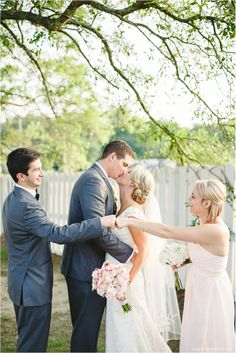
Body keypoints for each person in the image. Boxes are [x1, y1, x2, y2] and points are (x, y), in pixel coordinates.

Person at [2, 147, 116, 353]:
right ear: (20, 176)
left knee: (28, 342)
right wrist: (99, 223)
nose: (42, 173)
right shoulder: (27, 206)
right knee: (32, 346)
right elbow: (58, 234)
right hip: (32, 287)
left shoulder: (12, 199)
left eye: (41, 168)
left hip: (20, 283)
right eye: (36, 170)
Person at [117, 179, 235, 353]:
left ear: (207, 203)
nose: (189, 199)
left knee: (206, 335)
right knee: (197, 332)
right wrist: (184, 259)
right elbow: (209, 255)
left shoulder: (215, 230)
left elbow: (168, 231)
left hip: (210, 292)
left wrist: (132, 222)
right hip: (199, 286)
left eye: (194, 196)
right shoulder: (205, 224)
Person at [61, 140, 136, 352]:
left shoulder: (100, 180)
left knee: (87, 331)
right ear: (112, 156)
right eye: (124, 164)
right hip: (84, 268)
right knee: (85, 334)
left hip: (90, 267)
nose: (125, 171)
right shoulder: (93, 181)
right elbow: (96, 229)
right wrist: (129, 254)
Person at [106, 164, 181, 352]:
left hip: (126, 279)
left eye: (128, 171)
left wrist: (127, 279)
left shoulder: (133, 212)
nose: (123, 170)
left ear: (133, 182)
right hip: (115, 277)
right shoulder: (122, 206)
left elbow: (144, 249)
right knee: (127, 325)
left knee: (130, 324)